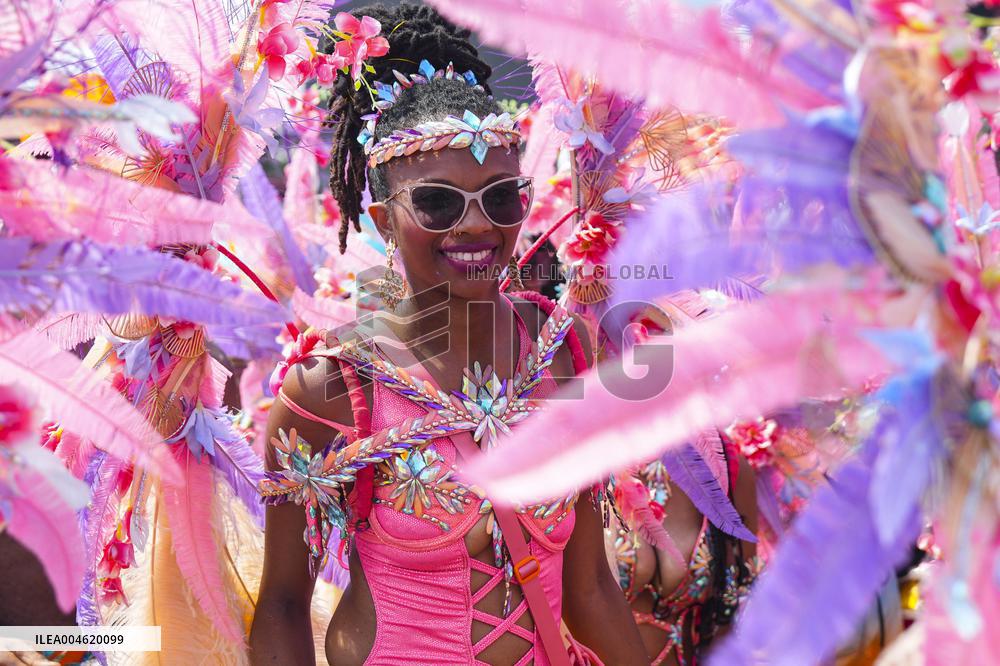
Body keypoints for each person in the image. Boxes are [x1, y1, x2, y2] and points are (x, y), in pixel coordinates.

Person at [249, 4, 648, 665]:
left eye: (500, 198)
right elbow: (285, 605)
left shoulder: (570, 355)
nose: (474, 226)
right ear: (382, 216)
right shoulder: (330, 391)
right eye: (437, 202)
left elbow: (592, 589)